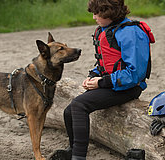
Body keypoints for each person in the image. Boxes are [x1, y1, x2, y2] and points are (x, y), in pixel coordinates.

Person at [50, 0, 153, 159]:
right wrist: (93, 76)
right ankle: (72, 149)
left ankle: (78, 156)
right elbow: (105, 64)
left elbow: (135, 74)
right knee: (69, 111)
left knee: (79, 105)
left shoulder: (132, 33)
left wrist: (101, 82)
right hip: (110, 83)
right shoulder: (107, 30)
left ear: (108, 12)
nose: (93, 17)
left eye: (96, 13)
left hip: (129, 87)